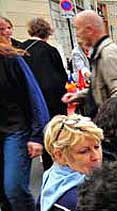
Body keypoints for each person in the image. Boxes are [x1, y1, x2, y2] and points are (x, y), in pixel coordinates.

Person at [0, 37, 49, 211]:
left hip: (15, 130)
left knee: (14, 189)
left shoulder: (11, 59)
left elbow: (34, 96)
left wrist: (37, 135)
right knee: (4, 193)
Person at [62, 10, 117, 118]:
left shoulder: (108, 53)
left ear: (89, 30)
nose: (77, 34)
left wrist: (105, 121)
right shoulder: (101, 52)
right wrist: (79, 96)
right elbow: (103, 89)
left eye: (77, 28)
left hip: (114, 129)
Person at [20, 17, 68, 170]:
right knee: (53, 136)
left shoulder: (21, 50)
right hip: (52, 101)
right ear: (47, 32)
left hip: (29, 102)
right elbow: (62, 77)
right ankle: (53, 166)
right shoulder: (50, 51)